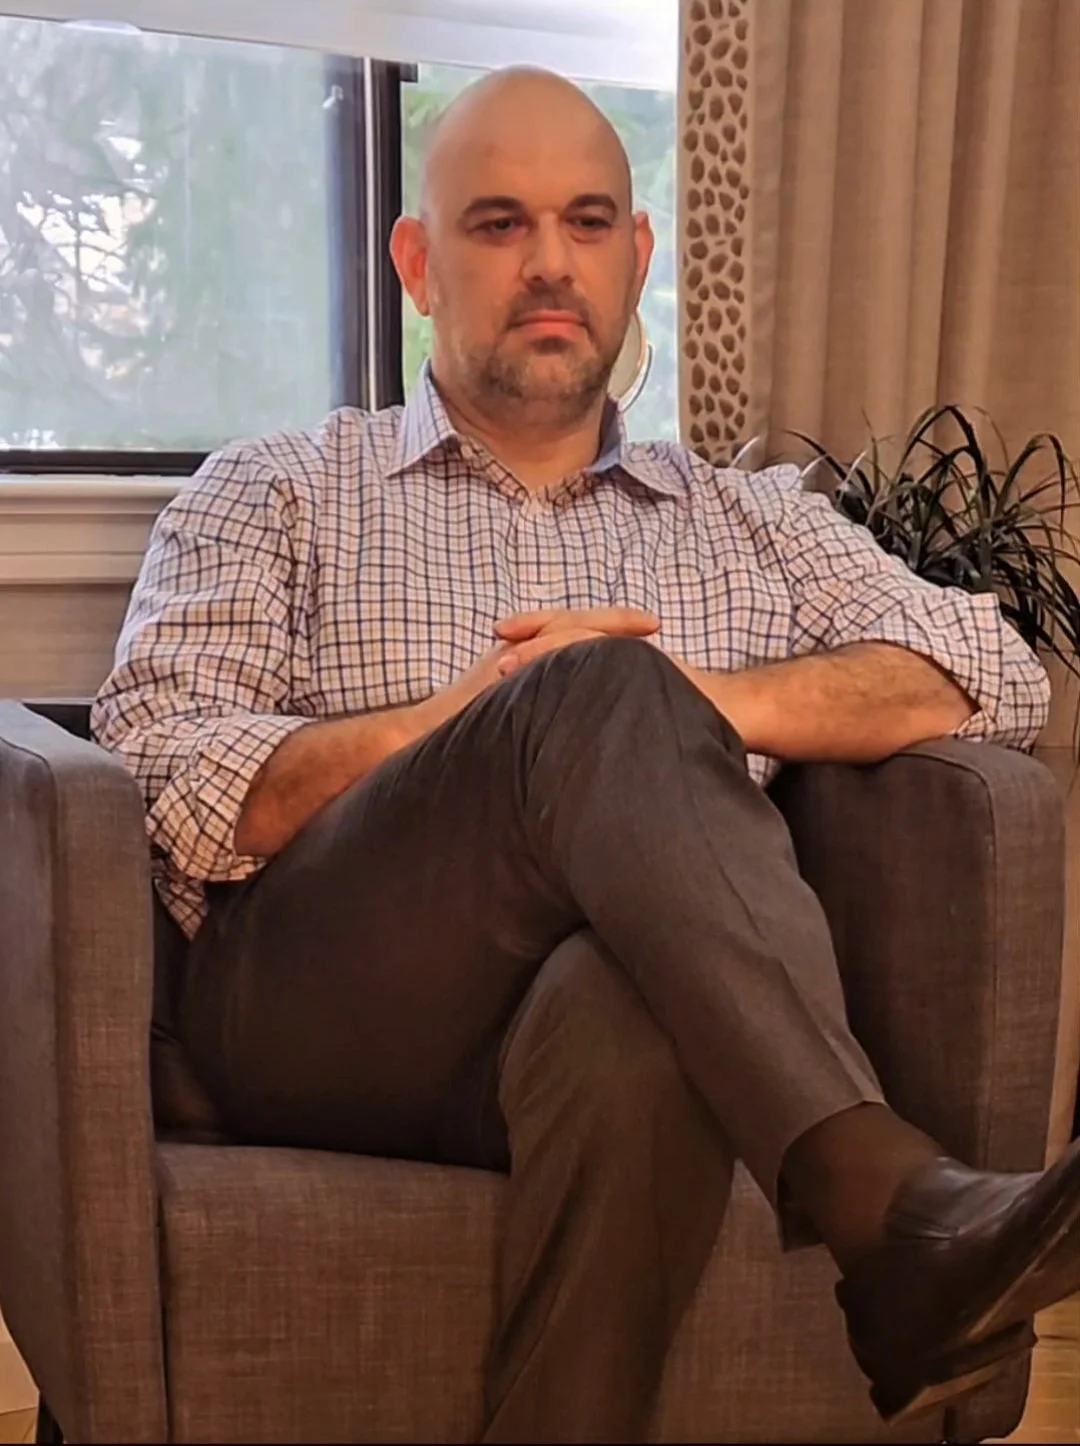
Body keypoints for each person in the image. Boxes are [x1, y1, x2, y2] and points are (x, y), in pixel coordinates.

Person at [92, 65, 1080, 1443]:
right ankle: (886, 1205)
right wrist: (492, 721)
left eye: (589, 222)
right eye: (500, 223)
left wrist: (694, 701)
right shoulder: (282, 488)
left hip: (585, 1022)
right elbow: (167, 771)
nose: (551, 262)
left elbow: (991, 667)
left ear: (639, 255)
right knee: (594, 692)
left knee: (636, 1019)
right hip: (312, 1009)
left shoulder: (746, 519)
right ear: (418, 264)